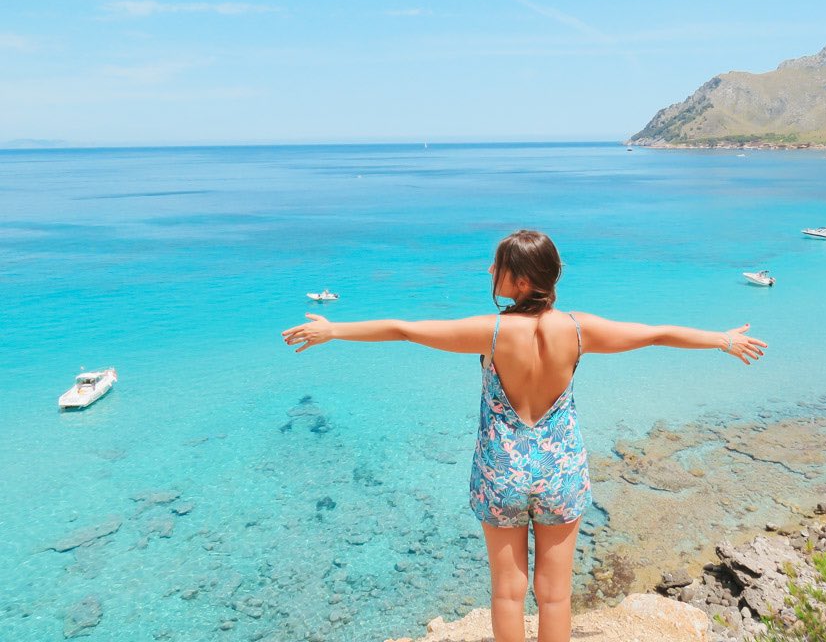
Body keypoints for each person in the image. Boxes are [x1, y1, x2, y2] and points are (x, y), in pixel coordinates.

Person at [281, 229, 767, 642]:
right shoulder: (579, 330)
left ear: (518, 279)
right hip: (561, 472)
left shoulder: (491, 332)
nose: (489, 271)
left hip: (500, 473)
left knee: (507, 591)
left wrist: (335, 330)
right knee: (554, 594)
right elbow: (657, 333)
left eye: (496, 265)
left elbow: (405, 329)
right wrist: (722, 339)